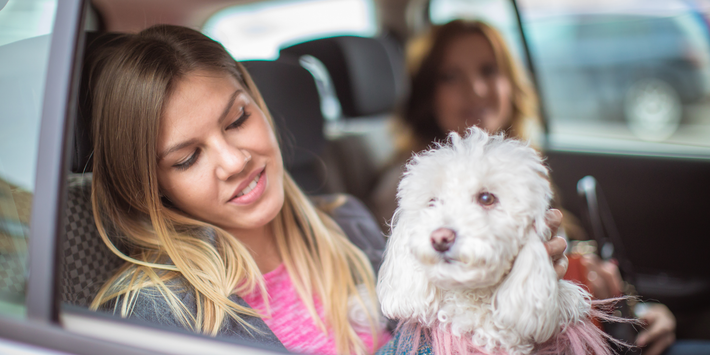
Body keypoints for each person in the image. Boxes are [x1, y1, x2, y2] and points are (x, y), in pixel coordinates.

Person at [85, 24, 568, 355]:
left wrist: (508, 280)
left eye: (237, 119)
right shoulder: (155, 312)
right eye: (188, 158)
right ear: (154, 184)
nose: (234, 161)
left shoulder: (350, 224)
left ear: (260, 106)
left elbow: (437, 323)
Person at [369, 19, 683, 355]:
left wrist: (640, 312)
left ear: (511, 83)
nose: (476, 89)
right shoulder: (404, 189)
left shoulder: (523, 170)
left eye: (488, 71)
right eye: (451, 76)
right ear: (427, 92)